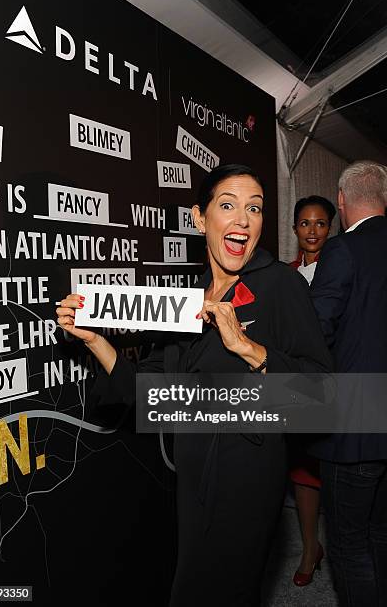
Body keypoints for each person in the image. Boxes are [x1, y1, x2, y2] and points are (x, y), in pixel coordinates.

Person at [56, 164, 332, 607]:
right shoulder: (186, 297)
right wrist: (96, 342)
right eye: (228, 206)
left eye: (255, 209)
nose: (243, 219)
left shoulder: (281, 285)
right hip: (193, 473)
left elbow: (321, 395)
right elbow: (148, 390)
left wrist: (250, 349)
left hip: (248, 473)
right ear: (200, 219)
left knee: (225, 589)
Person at [308, 161, 387, 606]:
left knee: (349, 543)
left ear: (340, 202)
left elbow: (318, 330)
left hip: (357, 420)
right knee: (381, 531)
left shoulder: (343, 250)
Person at [289, 195, 336, 586]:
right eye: (305, 223)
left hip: (334, 381)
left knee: (336, 469)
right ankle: (309, 547)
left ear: (330, 228)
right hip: (293, 383)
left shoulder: (341, 271)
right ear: (294, 230)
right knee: (302, 468)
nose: (312, 231)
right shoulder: (285, 275)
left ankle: (342, 548)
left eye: (320, 223)